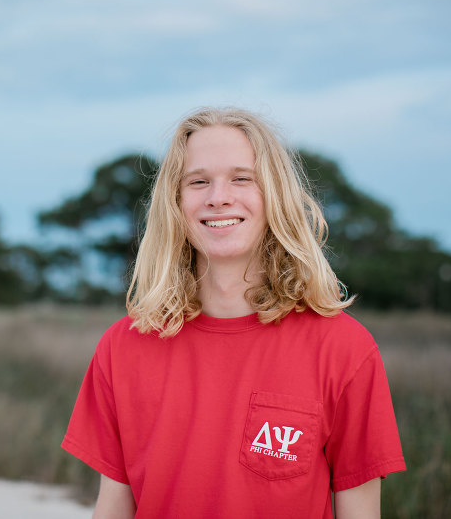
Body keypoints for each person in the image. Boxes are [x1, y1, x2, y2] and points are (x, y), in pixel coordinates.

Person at [61, 107, 405, 518]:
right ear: (175, 202)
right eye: (198, 181)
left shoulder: (343, 348)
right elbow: (113, 506)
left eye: (242, 178)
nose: (218, 197)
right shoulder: (123, 347)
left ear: (275, 196)